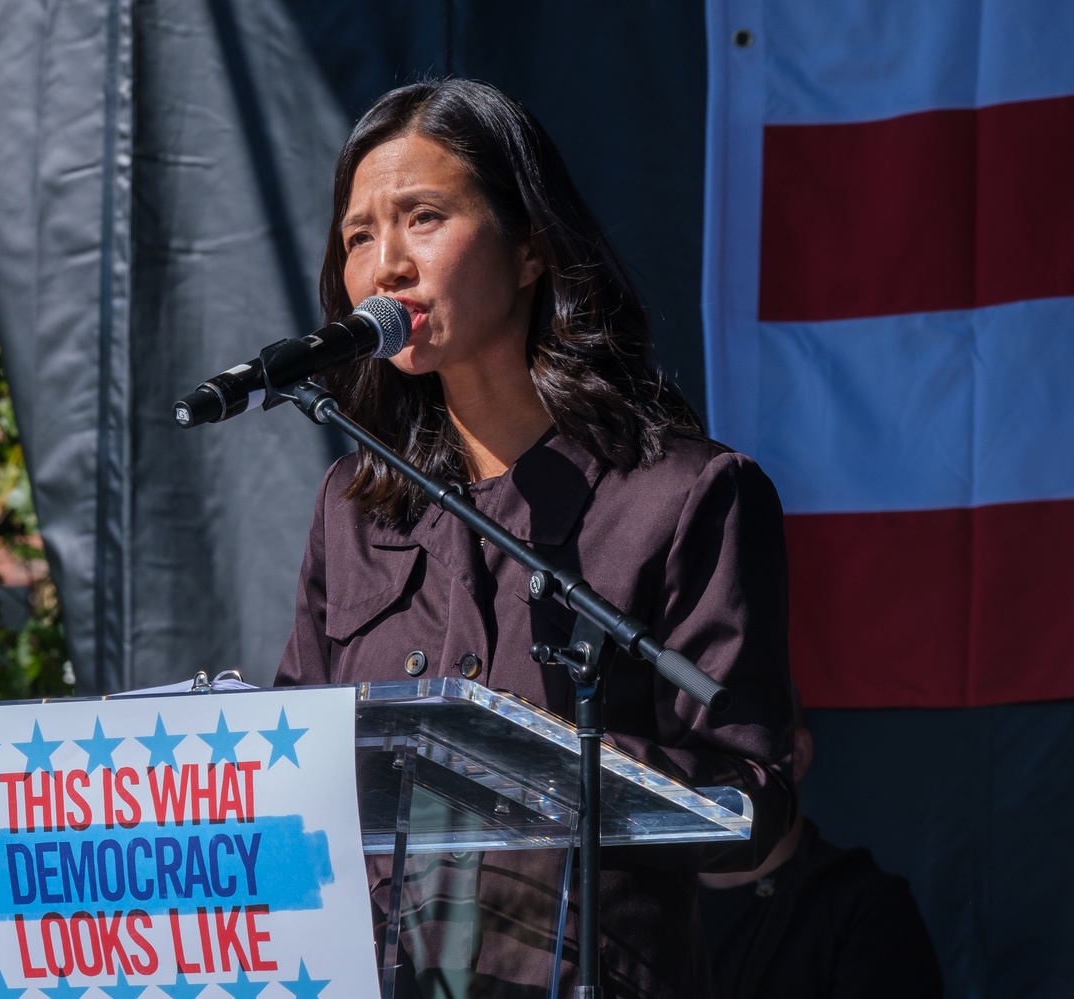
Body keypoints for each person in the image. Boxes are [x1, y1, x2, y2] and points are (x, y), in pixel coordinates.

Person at [275, 78, 796, 997]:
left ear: (529, 252)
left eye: (422, 217)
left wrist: (520, 761)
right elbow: (294, 768)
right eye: (359, 235)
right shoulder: (357, 505)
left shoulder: (685, 495)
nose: (385, 262)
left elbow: (747, 802)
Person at [698, 697, 942, 999]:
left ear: (796, 756)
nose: (702, 769)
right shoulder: (644, 897)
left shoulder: (864, 910)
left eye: (736, 744)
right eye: (680, 747)